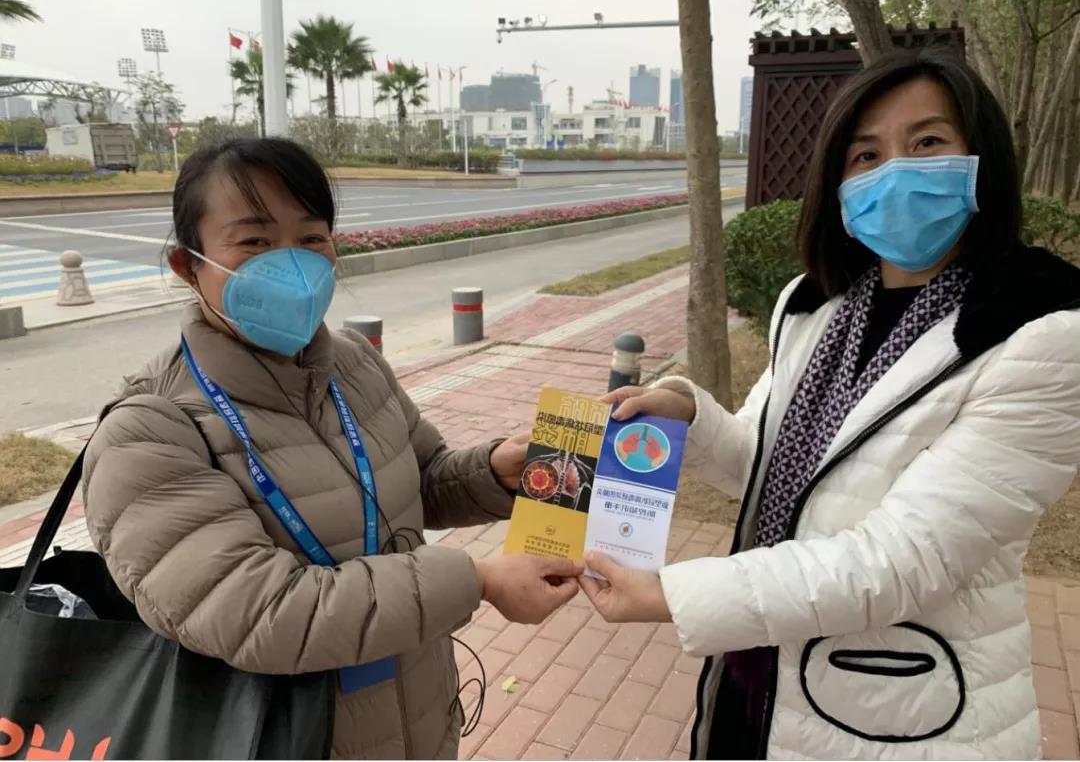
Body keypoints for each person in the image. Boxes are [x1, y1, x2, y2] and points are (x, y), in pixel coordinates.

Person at [580, 50, 1080, 759]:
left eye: (927, 142)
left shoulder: (1038, 330)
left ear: (981, 161)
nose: (895, 171)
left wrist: (671, 594)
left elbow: (901, 562)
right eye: (866, 155)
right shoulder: (814, 306)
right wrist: (687, 416)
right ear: (839, 185)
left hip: (898, 713)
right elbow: (763, 465)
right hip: (757, 678)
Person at [82, 138, 583, 760]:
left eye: (311, 238)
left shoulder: (353, 363)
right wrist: (475, 580)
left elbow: (420, 478)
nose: (292, 263)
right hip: (289, 739)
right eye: (255, 241)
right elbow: (259, 612)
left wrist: (494, 473)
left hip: (420, 717)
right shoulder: (148, 431)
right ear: (189, 266)